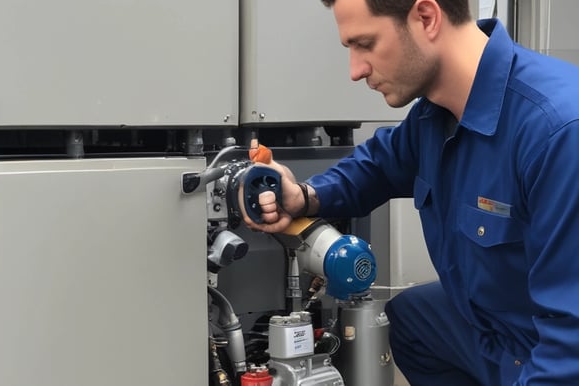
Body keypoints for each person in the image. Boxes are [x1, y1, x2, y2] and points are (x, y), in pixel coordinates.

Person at [242, 0, 579, 385]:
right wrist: (304, 196)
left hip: (547, 347)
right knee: (415, 320)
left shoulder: (558, 133)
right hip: (498, 331)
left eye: (365, 44)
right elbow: (379, 165)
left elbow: (571, 344)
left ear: (426, 17)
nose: (356, 70)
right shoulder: (435, 116)